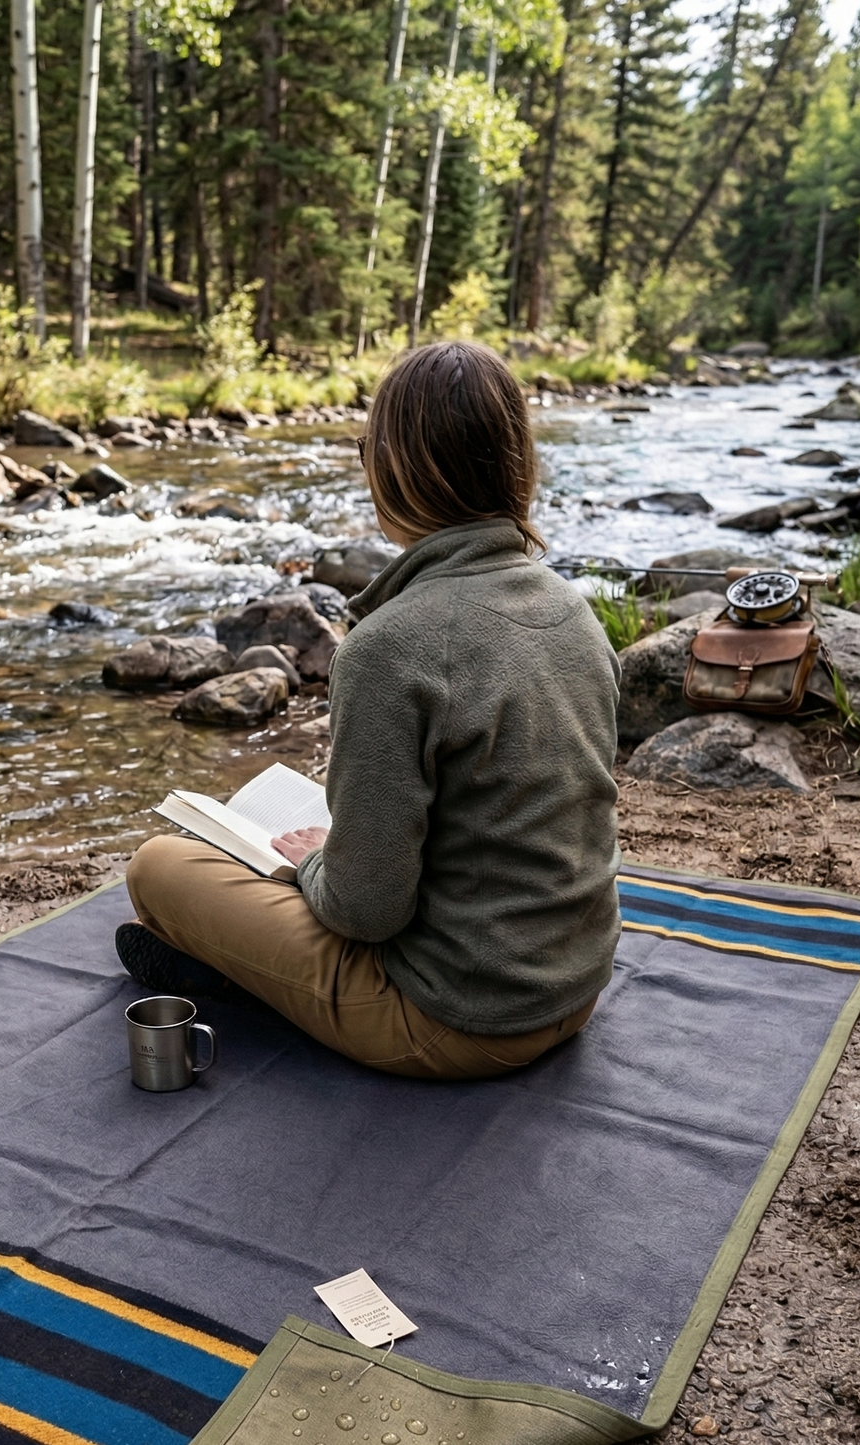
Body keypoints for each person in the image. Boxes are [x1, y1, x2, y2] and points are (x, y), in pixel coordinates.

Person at [116, 341, 621, 1079]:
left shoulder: (388, 646)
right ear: (516, 464)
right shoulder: (574, 612)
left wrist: (310, 863)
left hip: (454, 1020)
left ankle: (239, 975)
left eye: (365, 450)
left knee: (157, 867)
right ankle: (238, 967)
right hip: (573, 988)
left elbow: (364, 913)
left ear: (392, 469)